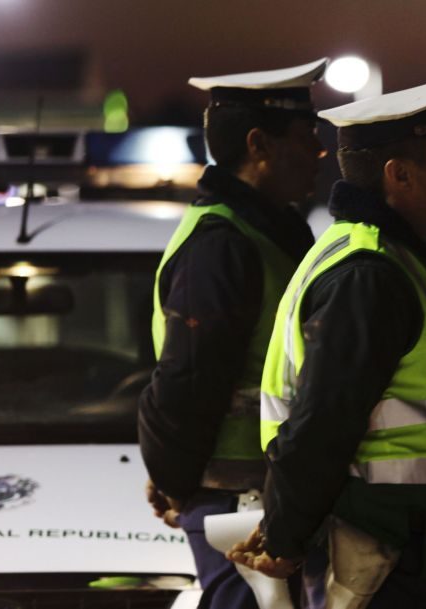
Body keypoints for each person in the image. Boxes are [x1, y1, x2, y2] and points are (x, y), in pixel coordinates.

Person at [227, 72, 426, 609]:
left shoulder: (374, 259)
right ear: (400, 175)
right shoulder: (370, 275)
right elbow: (321, 423)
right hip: (377, 546)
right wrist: (283, 539)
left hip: (389, 537)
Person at [138, 57, 328, 608]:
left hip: (262, 493)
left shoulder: (268, 232)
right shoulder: (223, 243)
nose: (319, 150)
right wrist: (176, 477)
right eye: (305, 135)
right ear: (258, 146)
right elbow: (190, 376)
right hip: (235, 497)